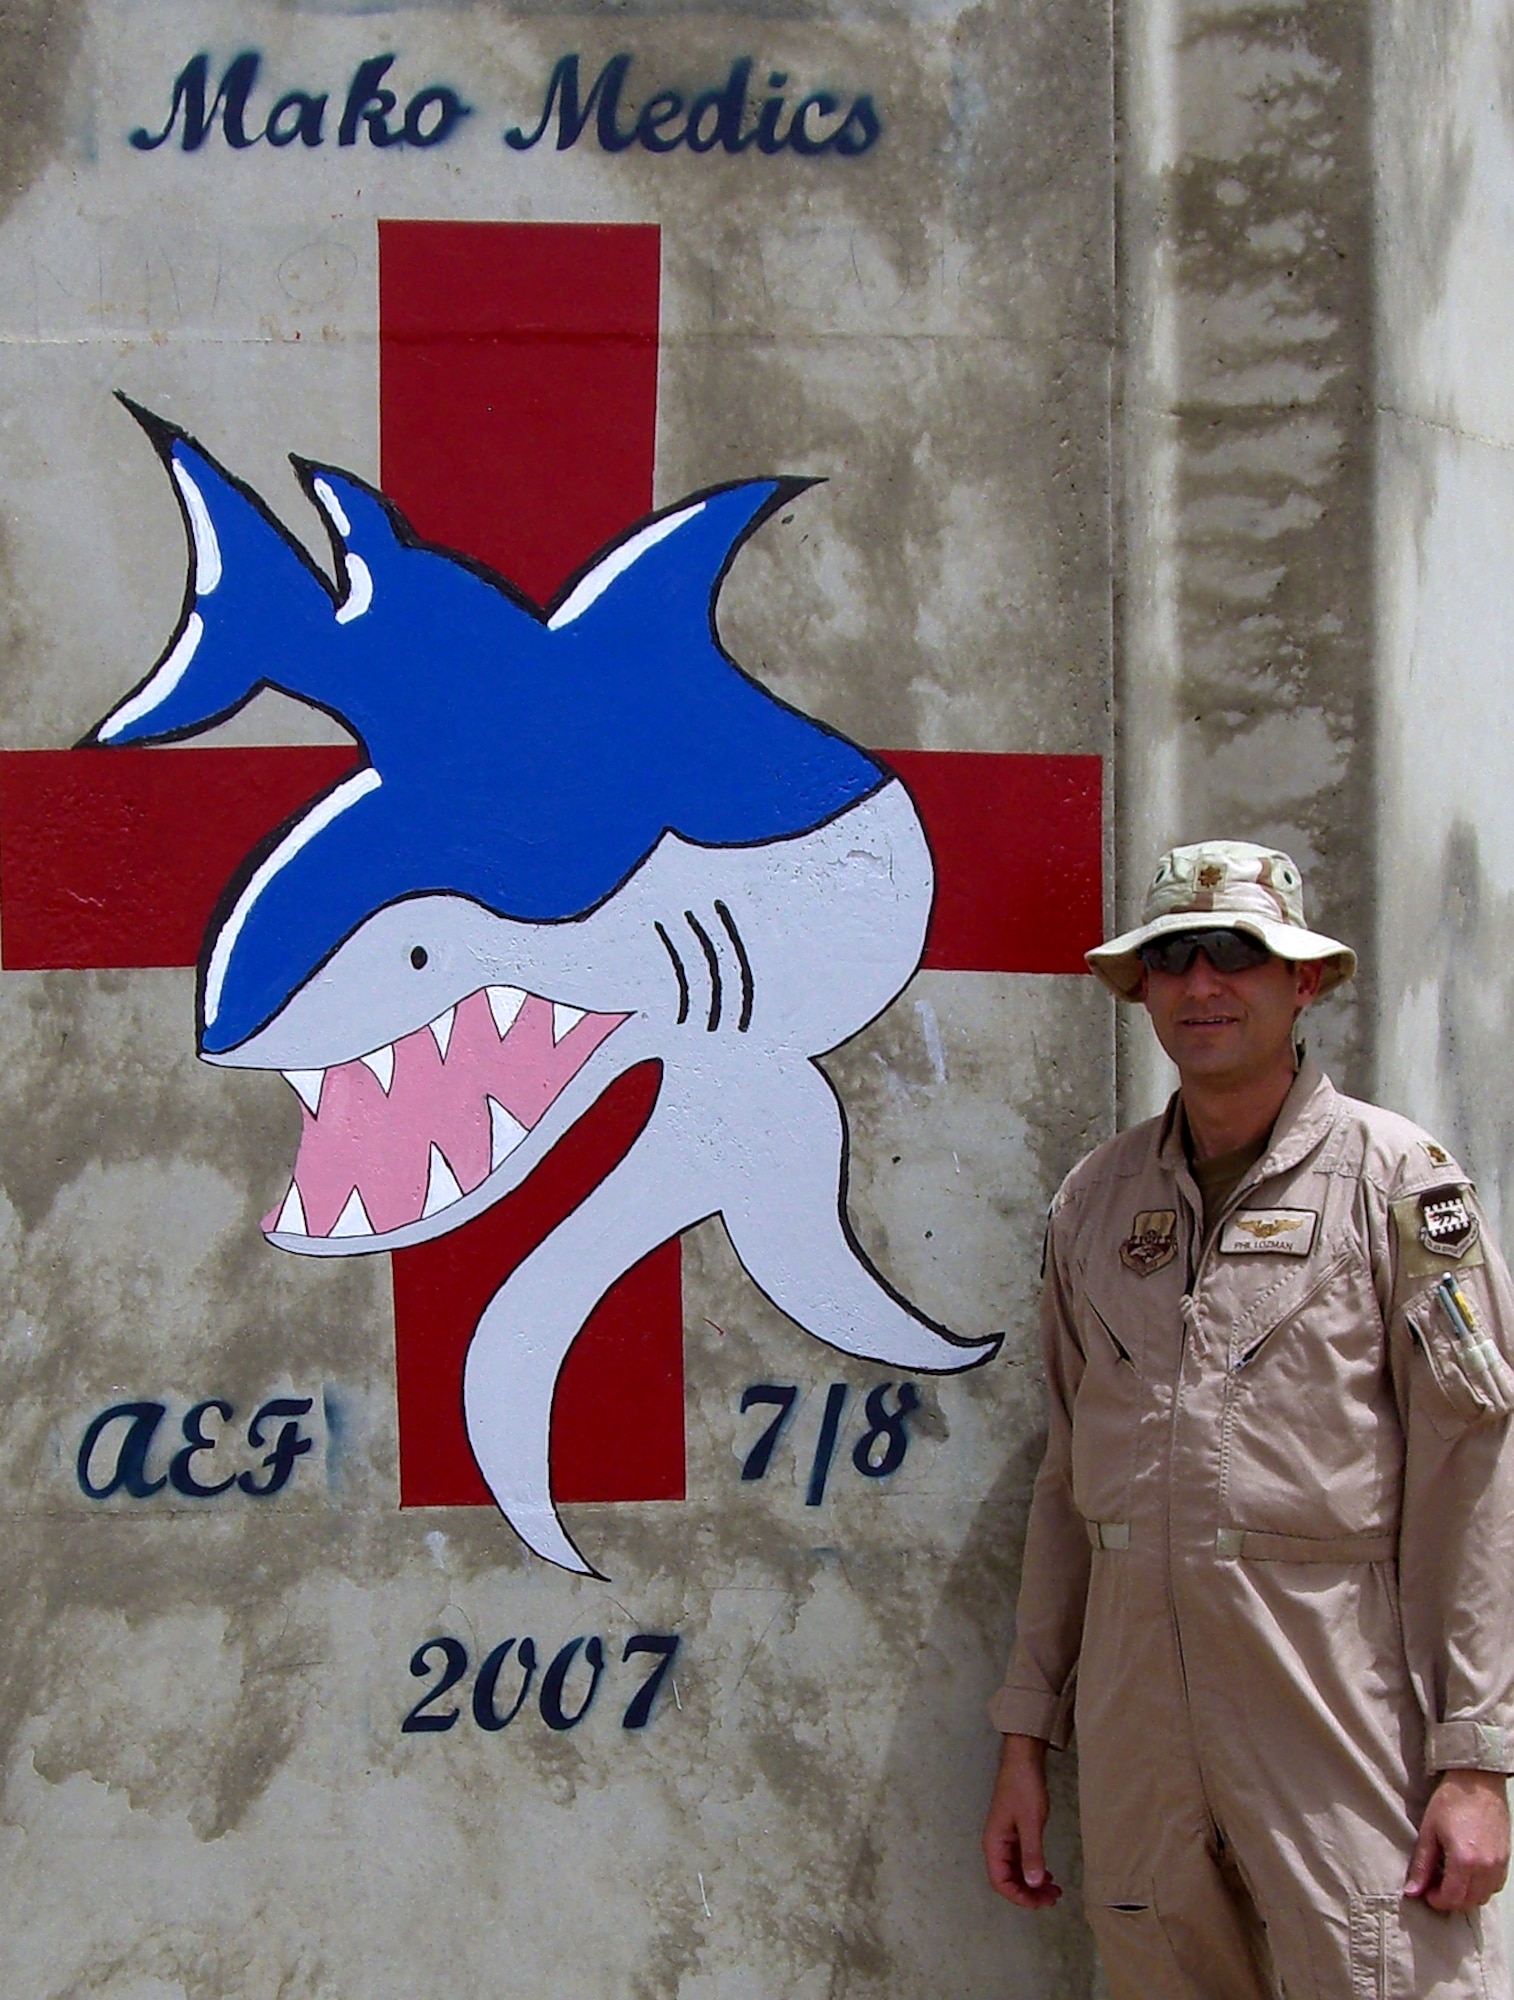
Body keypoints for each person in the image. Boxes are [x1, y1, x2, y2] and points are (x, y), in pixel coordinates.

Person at [981, 840, 1514, 1999]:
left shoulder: (1397, 1186)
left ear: (1300, 983)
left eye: (1238, 954)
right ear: (1142, 989)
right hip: (1135, 1724)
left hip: (1329, 1707)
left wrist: (1474, 1759)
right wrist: (1027, 1736)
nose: (1201, 984)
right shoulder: (1095, 1200)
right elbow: (1066, 1485)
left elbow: (1468, 1483)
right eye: (1172, 958)